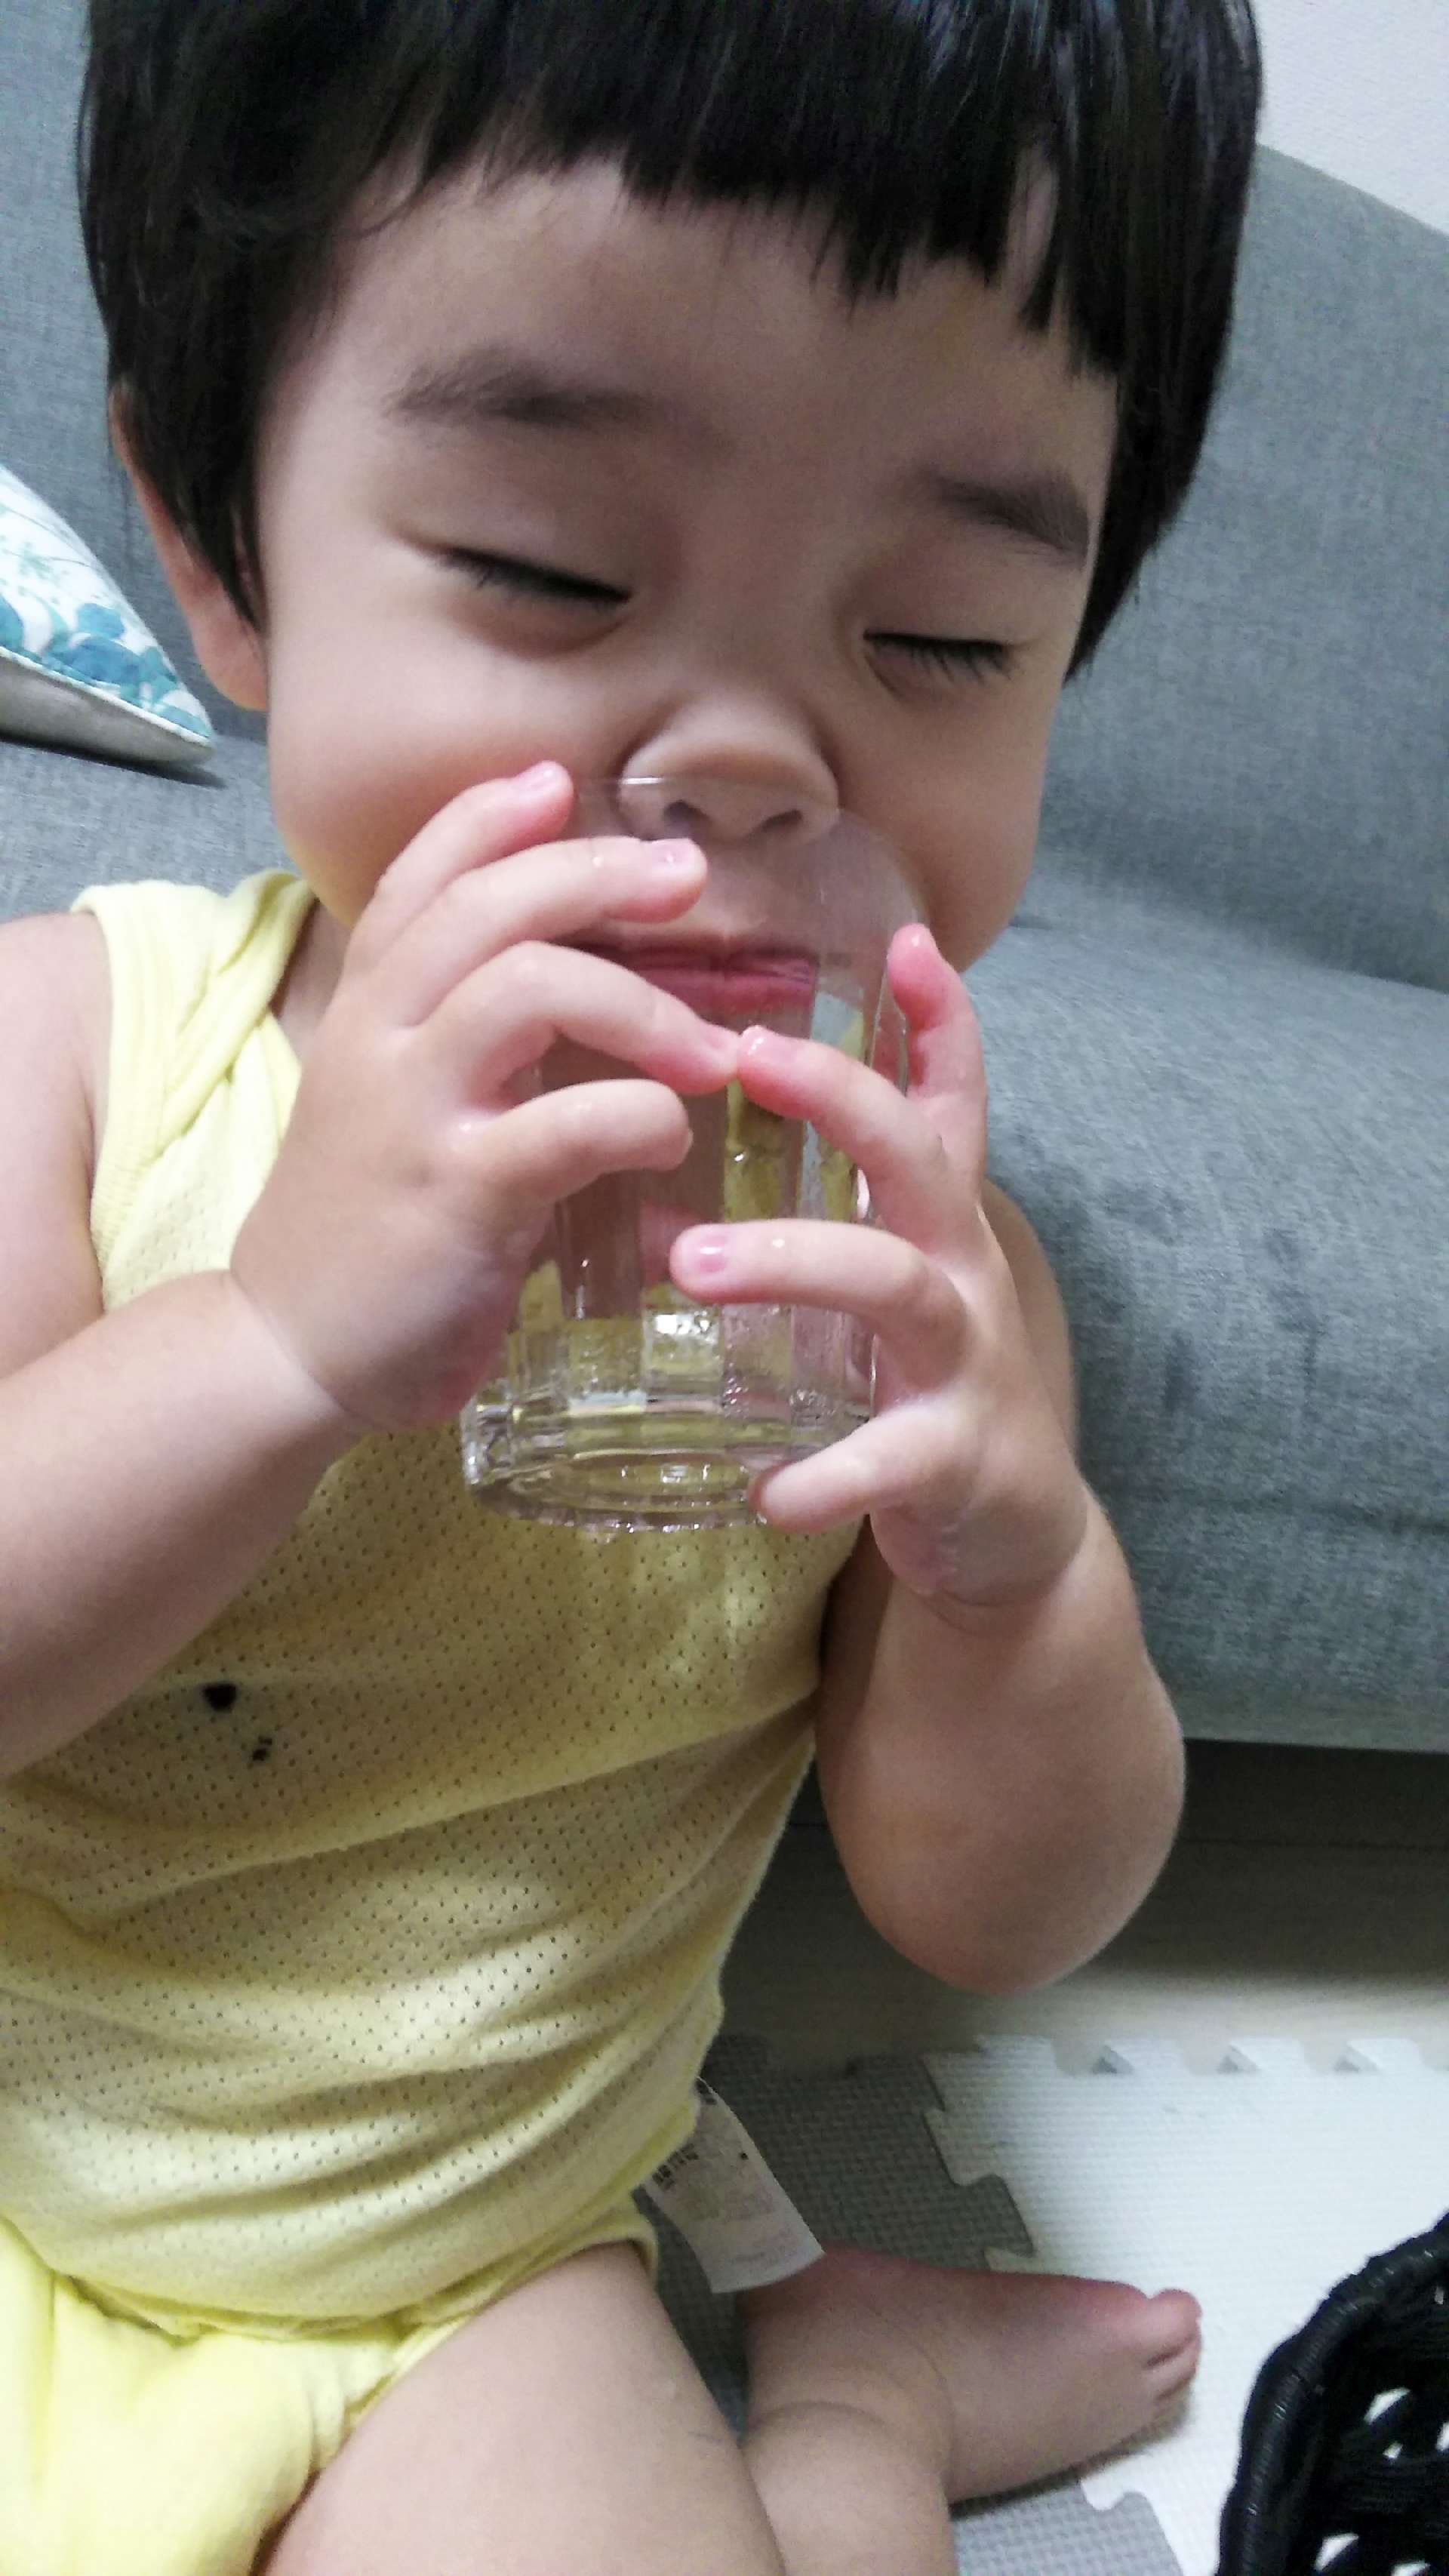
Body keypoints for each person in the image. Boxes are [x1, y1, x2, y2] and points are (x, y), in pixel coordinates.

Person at [0, 1, 1261, 2568]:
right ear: (224, 553)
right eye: (557, 575)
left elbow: (993, 1913)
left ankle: (854, 2416)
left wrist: (1011, 1568)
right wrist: (269, 1342)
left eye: (939, 640)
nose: (747, 761)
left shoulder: (906, 1257)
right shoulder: (92, 1056)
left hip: (474, 2290)